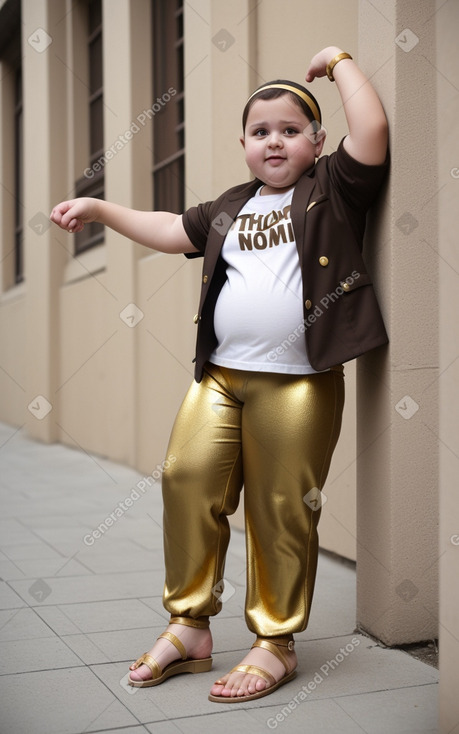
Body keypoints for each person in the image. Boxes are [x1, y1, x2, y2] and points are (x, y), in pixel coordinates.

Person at [50, 46, 389, 703]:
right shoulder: (232, 205)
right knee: (184, 480)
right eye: (260, 131)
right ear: (242, 143)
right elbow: (171, 228)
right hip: (220, 377)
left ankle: (274, 642)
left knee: (279, 506)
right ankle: (189, 626)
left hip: (297, 380)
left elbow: (372, 133)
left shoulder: (332, 188)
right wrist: (101, 213)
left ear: (316, 142)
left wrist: (339, 62)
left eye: (290, 130)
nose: (274, 141)